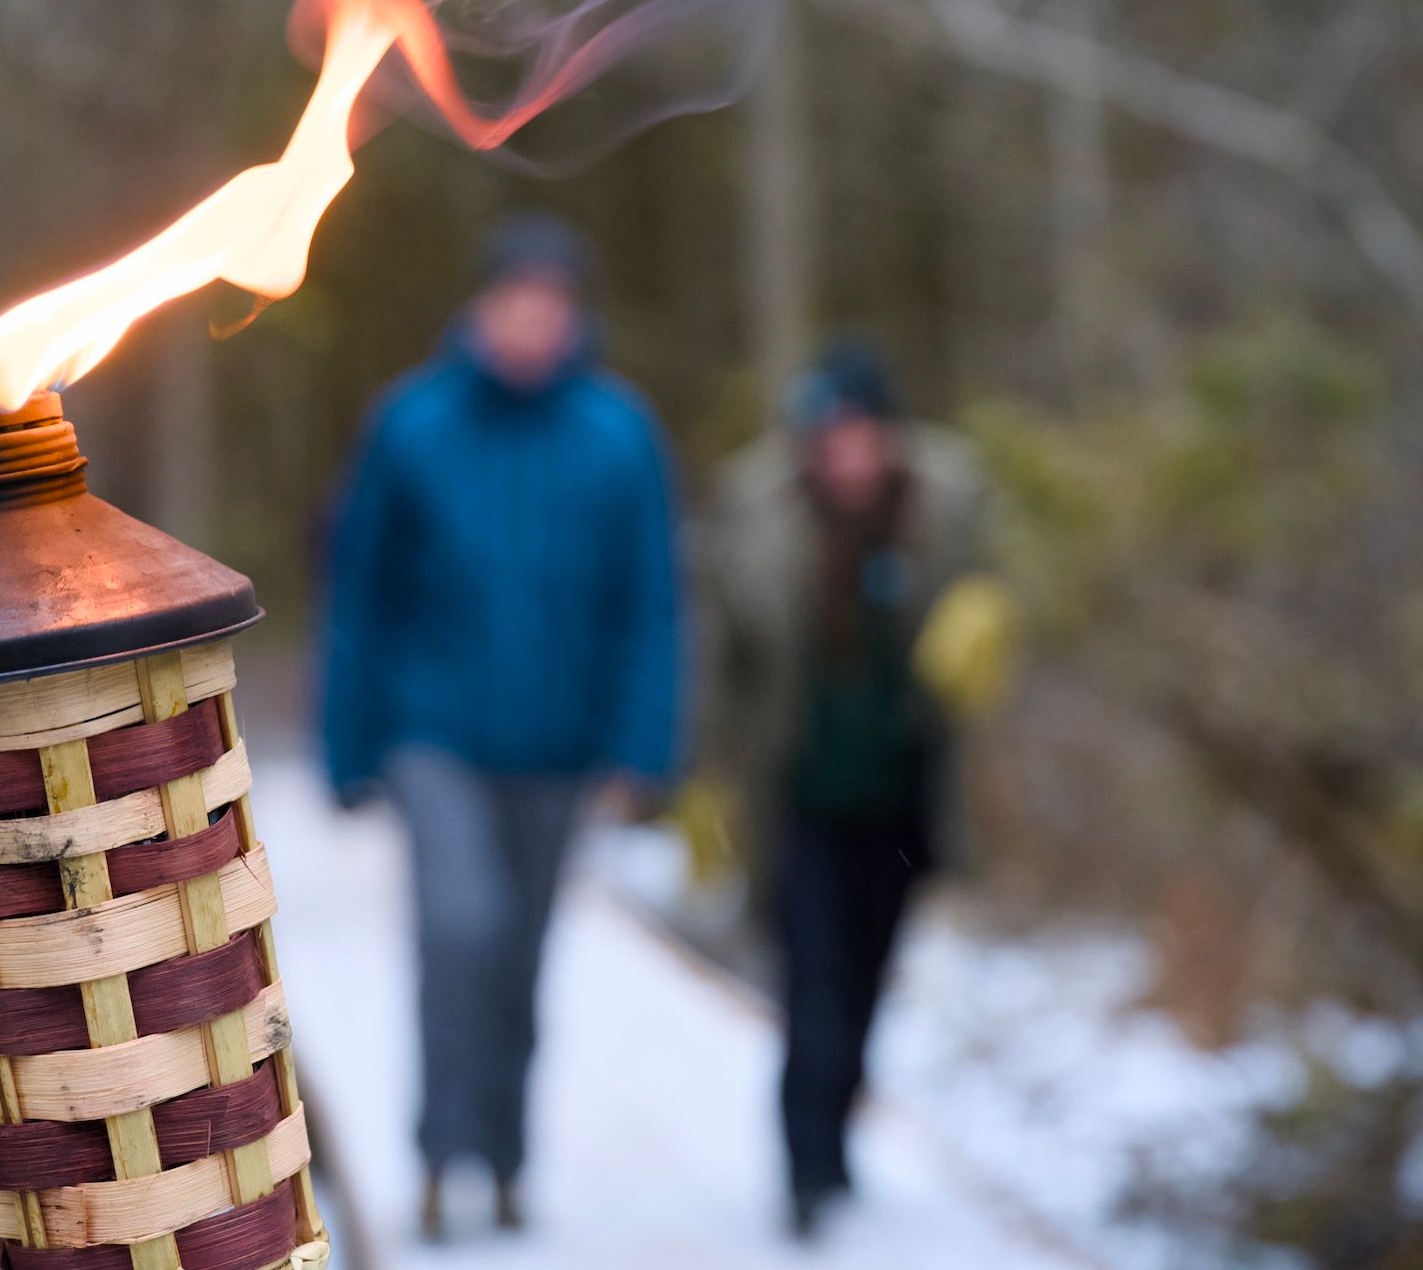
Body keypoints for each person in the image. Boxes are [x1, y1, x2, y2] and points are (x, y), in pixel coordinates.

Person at [320, 213, 681, 1238]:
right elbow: (361, 593)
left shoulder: (618, 435)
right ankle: (438, 1155)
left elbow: (650, 603)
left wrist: (640, 746)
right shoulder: (411, 425)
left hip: (558, 745)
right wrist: (349, 746)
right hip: (433, 733)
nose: (530, 322)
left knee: (520, 956)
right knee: (458, 924)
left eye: (550, 304)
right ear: (479, 309)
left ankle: (507, 1159)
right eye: (513, 300)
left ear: (572, 317)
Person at [697, 336, 1000, 1238]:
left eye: (862, 435)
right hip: (797, 797)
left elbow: (991, 611)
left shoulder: (950, 508)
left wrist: (982, 636)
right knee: (812, 984)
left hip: (904, 796)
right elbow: (719, 658)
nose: (846, 455)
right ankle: (802, 1168)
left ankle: (834, 1140)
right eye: (828, 437)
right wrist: (701, 783)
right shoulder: (758, 515)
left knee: (866, 980)